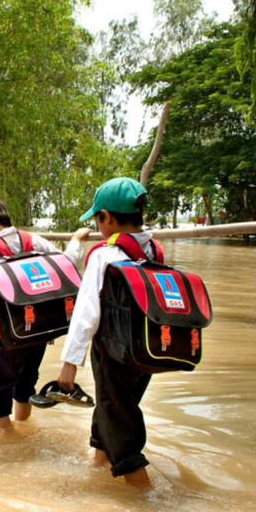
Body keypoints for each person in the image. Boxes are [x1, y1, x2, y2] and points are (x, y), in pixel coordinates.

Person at [0, 197, 89, 428]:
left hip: (10, 333)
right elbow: (68, 262)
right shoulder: (35, 241)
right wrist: (76, 239)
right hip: (40, 328)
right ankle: (23, 426)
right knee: (26, 381)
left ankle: (7, 443)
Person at [56, 177, 159, 490]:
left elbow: (87, 312)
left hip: (113, 353)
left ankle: (148, 498)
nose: (98, 225)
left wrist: (70, 361)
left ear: (108, 218)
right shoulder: (153, 249)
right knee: (112, 408)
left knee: (120, 426)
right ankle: (97, 466)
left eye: (98, 218)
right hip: (145, 351)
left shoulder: (104, 254)